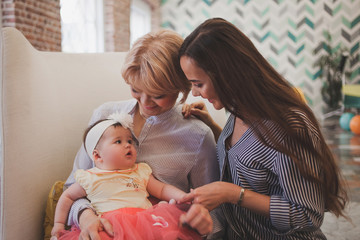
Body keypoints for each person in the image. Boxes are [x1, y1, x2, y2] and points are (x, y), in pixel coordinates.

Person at [179, 18, 349, 239]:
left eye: (198, 84)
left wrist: (233, 194)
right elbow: (251, 158)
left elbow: (307, 215)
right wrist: (213, 127)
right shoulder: (238, 110)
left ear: (226, 74)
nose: (194, 93)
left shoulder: (290, 126)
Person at [64, 29, 221, 239]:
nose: (145, 103)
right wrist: (85, 217)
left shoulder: (197, 135)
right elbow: (71, 187)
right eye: (136, 89)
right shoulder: (104, 115)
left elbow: (214, 211)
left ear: (180, 88)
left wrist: (201, 220)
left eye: (158, 95)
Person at [51, 113, 202, 240]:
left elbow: (162, 189)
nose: (128, 145)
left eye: (129, 140)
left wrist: (183, 196)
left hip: (146, 221)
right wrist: (58, 224)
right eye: (118, 141)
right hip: (108, 224)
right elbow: (67, 197)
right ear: (97, 156)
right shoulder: (90, 177)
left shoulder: (139, 171)